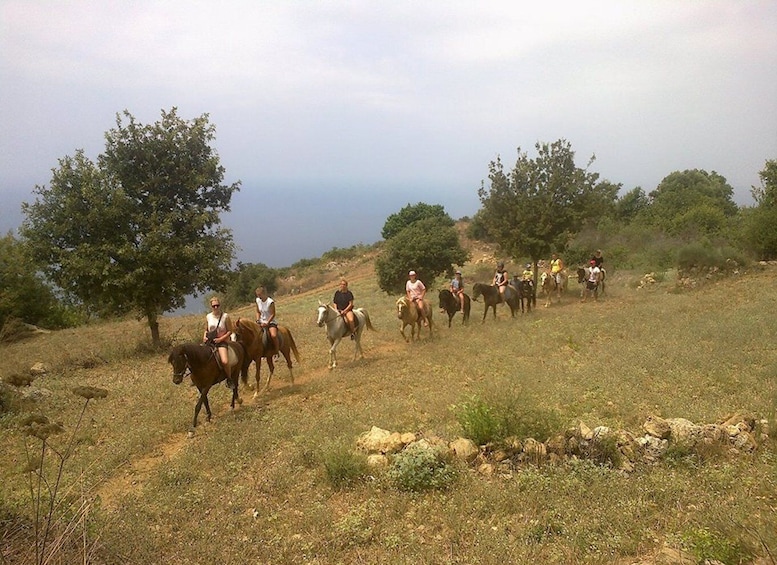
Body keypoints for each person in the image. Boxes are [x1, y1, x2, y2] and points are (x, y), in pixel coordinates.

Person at [203, 296, 236, 389]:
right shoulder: (208, 316)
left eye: (217, 305)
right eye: (214, 306)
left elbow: (230, 330)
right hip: (210, 341)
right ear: (211, 307)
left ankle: (229, 379)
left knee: (225, 361)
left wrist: (221, 339)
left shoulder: (225, 316)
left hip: (222, 342)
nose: (216, 307)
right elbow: (206, 329)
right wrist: (204, 337)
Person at [254, 286, 280, 356]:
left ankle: (276, 351)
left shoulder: (270, 302)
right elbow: (258, 312)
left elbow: (273, 314)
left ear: (264, 294)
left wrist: (267, 323)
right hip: (261, 321)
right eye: (258, 295)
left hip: (270, 322)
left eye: (260, 295)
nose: (259, 297)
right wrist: (257, 320)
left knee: (273, 335)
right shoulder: (258, 300)